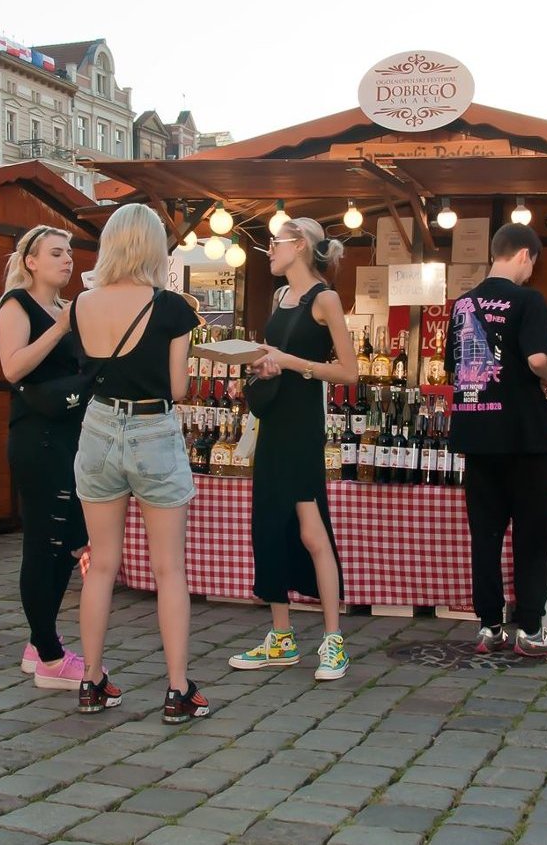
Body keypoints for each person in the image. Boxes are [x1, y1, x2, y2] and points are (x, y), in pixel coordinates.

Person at [71, 203, 206, 723]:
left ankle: (92, 680)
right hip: (152, 427)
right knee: (169, 568)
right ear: (153, 248)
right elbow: (176, 389)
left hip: (99, 427)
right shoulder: (172, 308)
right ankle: (177, 690)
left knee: (101, 564)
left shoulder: (82, 304)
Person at [229, 217, 358, 679]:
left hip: (302, 425)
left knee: (310, 526)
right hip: (272, 423)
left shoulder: (324, 298)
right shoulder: (279, 297)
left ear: (299, 245)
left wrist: (290, 363)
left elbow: (348, 372)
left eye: (274, 243)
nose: (269, 251)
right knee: (269, 524)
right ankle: (281, 638)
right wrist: (262, 365)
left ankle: (333, 640)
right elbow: (276, 357)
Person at [446, 223, 547, 657]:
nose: (532, 272)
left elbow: (455, 367)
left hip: (477, 434)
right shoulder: (529, 300)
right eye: (533, 263)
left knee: (486, 534)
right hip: (523, 437)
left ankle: (489, 627)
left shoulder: (461, 306)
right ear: (524, 256)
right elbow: (537, 358)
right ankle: (531, 630)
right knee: (533, 535)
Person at [0, 224, 89, 690]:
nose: (67, 260)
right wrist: (62, 329)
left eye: (69, 253)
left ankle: (38, 640)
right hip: (37, 437)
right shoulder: (17, 305)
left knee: (73, 537)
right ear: (31, 261)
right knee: (43, 542)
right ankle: (48, 655)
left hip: (70, 436)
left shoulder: (65, 307)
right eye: (56, 253)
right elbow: (13, 367)